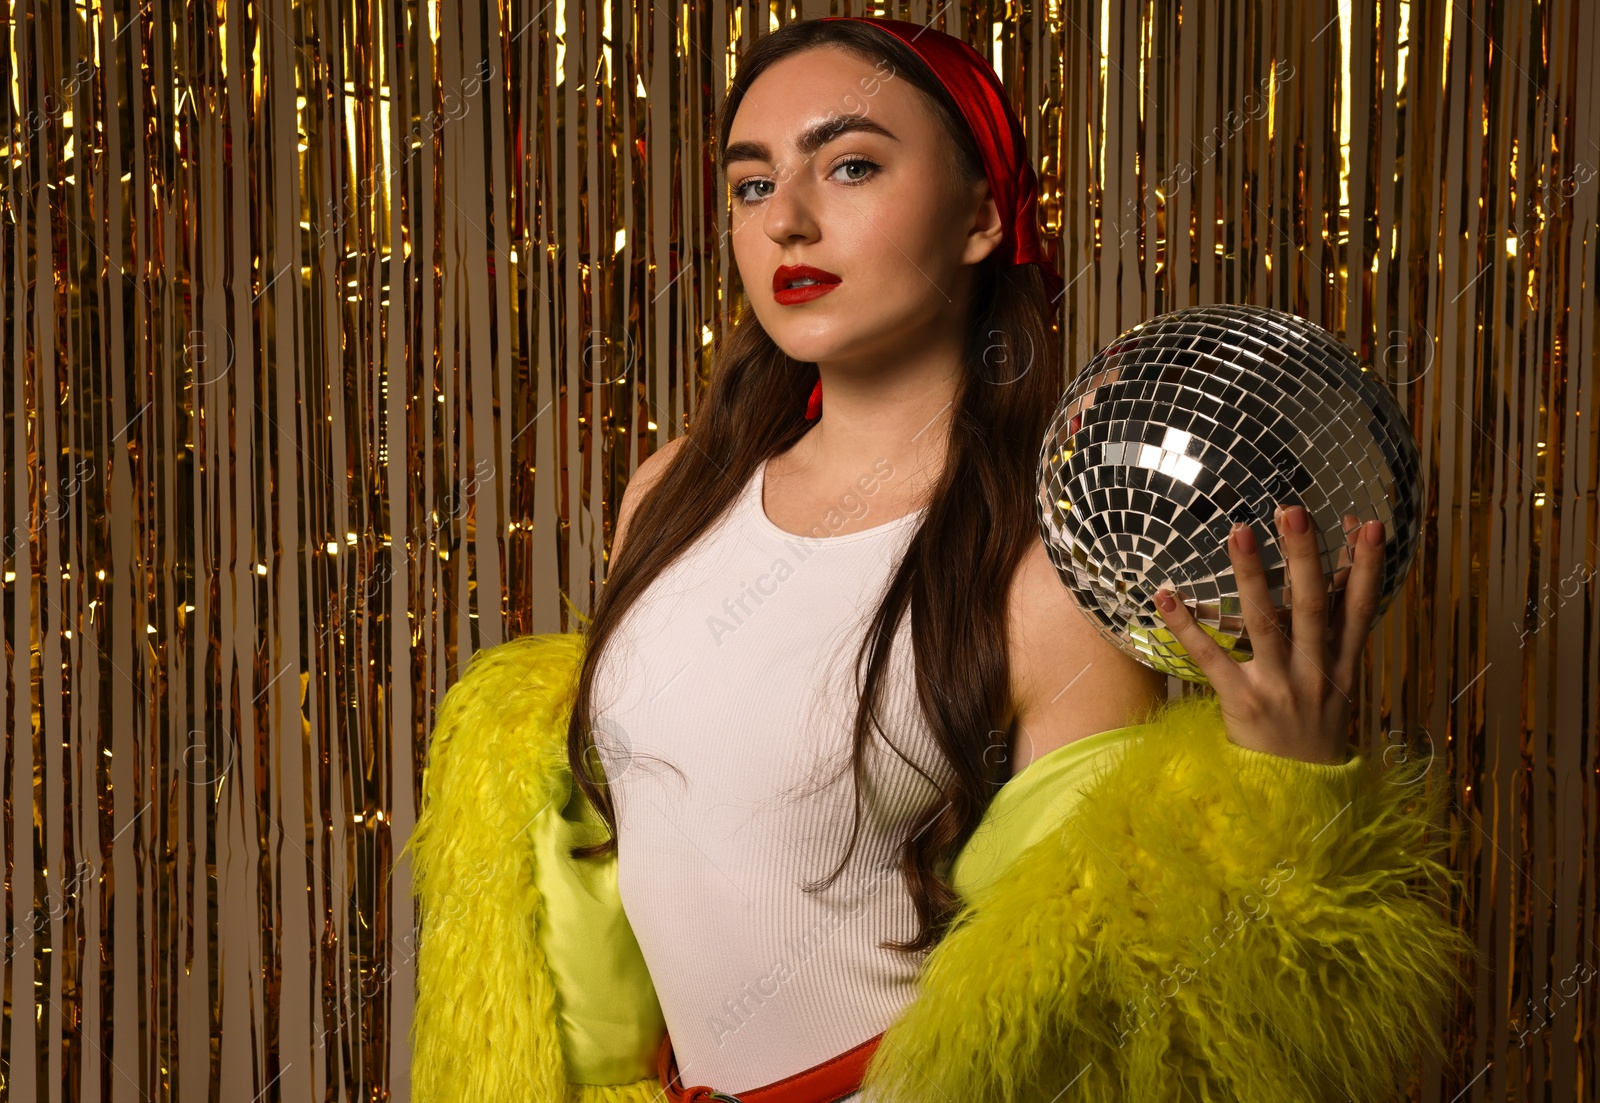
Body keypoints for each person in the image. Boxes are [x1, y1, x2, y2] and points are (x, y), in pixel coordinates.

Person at [407, 17, 1474, 1103]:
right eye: (750, 184)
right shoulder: (671, 491)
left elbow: (1094, 987)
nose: (788, 219)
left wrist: (1284, 792)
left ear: (980, 216)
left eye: (851, 165)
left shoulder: (1045, 571)